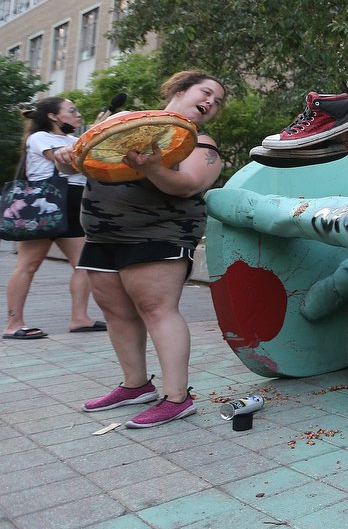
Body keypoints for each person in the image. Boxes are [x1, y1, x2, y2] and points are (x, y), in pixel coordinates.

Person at [55, 71, 226, 428]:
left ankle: (177, 397)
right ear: (181, 90)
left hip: (157, 233)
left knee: (157, 309)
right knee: (116, 312)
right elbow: (86, 155)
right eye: (206, 92)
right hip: (102, 234)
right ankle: (135, 386)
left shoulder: (200, 144)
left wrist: (151, 167)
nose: (211, 102)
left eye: (217, 101)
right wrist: (65, 156)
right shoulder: (123, 123)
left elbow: (187, 185)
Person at [4, 98, 103, 339]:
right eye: (71, 111)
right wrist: (94, 136)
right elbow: (67, 160)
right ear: (53, 116)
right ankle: (13, 324)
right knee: (28, 264)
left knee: (83, 264)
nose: (77, 115)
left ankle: (79, 319)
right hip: (44, 203)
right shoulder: (39, 138)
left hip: (73, 202)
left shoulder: (73, 141)